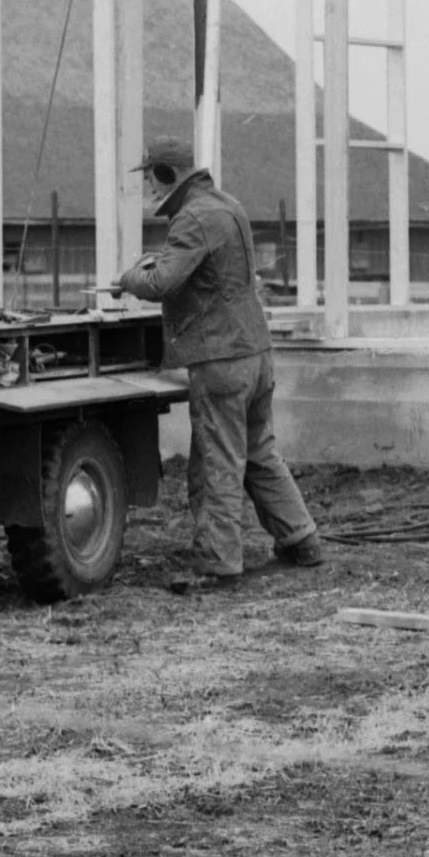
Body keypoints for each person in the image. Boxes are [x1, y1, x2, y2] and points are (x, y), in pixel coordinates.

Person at [117, 147, 325, 585]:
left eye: (151, 179)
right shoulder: (227, 206)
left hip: (220, 357)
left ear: (167, 173)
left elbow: (160, 282)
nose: (148, 188)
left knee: (218, 461)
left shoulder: (192, 218)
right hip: (255, 351)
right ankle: (301, 538)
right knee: (258, 451)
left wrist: (129, 277)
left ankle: (220, 563)